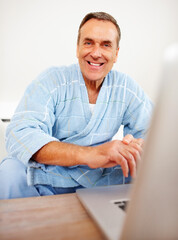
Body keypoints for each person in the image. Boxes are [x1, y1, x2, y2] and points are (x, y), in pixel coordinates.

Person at [0, 12, 152, 199]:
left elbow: (154, 134)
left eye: (106, 45)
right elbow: (20, 133)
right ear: (77, 48)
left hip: (102, 183)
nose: (96, 53)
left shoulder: (126, 87)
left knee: (151, 174)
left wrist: (136, 147)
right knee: (9, 171)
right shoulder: (52, 80)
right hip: (50, 178)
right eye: (88, 43)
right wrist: (91, 154)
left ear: (116, 54)